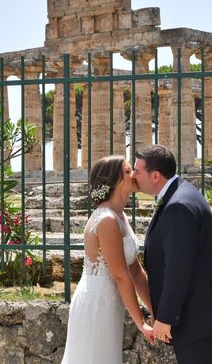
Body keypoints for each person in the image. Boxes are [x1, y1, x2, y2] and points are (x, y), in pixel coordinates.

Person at [133, 144, 212, 364]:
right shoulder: (182, 194)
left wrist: (166, 317)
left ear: (156, 175)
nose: (133, 176)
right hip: (199, 314)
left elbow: (178, 267)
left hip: (196, 317)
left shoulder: (177, 206)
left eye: (137, 171)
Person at [62, 155, 154, 364]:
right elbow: (121, 275)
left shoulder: (120, 216)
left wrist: (154, 310)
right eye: (129, 170)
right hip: (96, 303)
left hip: (111, 304)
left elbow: (136, 271)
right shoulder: (106, 220)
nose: (135, 175)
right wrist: (141, 324)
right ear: (115, 180)